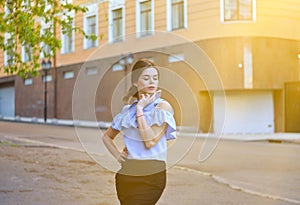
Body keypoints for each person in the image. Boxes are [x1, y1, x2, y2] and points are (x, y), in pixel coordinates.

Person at [102, 58, 176, 205]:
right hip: (127, 174)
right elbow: (106, 137)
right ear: (136, 82)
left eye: (155, 78)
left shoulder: (162, 107)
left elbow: (150, 141)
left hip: (152, 175)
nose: (152, 82)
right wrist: (118, 155)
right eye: (146, 78)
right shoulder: (127, 111)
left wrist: (140, 109)